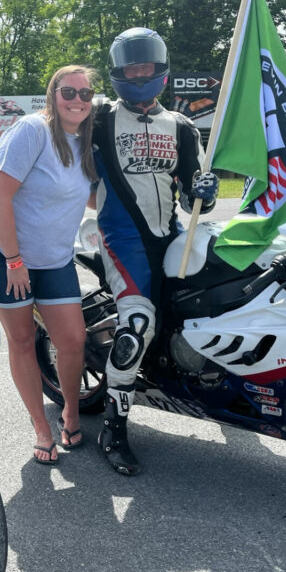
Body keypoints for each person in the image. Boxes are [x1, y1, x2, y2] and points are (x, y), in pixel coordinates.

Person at [92, 27, 220, 476]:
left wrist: (206, 190)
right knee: (139, 325)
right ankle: (115, 427)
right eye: (131, 67)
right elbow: (52, 143)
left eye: (144, 66)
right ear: (118, 73)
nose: (138, 73)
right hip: (119, 238)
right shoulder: (99, 118)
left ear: (160, 70)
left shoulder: (182, 127)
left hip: (171, 235)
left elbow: (192, 201)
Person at [0, 65, 98, 465]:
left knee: (73, 341)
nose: (77, 100)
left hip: (54, 256)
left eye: (85, 94)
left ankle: (70, 412)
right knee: (24, 340)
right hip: (5, 253)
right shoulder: (33, 131)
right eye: (69, 92)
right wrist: (14, 260)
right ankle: (41, 429)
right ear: (53, 94)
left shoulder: (85, 142)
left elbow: (91, 199)